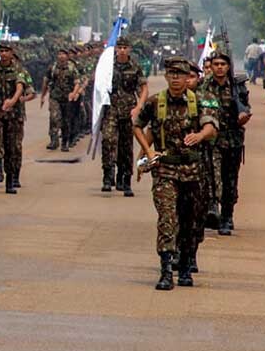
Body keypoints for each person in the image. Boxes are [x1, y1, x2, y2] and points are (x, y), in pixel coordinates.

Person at [133, 57, 219, 290]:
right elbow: (138, 125)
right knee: (167, 218)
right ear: (166, 76)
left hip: (193, 171)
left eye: (180, 75)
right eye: (171, 75)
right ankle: (165, 270)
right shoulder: (156, 103)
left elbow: (211, 127)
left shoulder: (199, 102)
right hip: (165, 170)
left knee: (191, 220)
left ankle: (186, 263)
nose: (175, 79)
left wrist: (200, 136)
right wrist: (147, 154)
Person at [198, 51, 251, 236]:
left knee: (230, 180)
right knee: (212, 176)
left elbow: (245, 109)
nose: (219, 67)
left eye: (223, 64)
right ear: (211, 67)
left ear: (228, 67)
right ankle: (213, 208)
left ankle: (227, 216)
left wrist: (243, 116)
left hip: (233, 140)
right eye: (216, 64)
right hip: (212, 141)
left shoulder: (238, 88)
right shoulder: (203, 87)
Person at [101, 36, 148, 195]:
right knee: (108, 140)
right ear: (115, 48)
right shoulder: (107, 65)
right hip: (110, 108)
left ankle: (125, 179)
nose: (122, 50)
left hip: (128, 110)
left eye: (125, 47)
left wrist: (139, 106)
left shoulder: (135, 66)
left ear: (129, 49)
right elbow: (99, 85)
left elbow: (143, 88)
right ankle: (108, 176)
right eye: (119, 47)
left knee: (126, 146)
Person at [0, 42, 28, 194]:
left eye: (6, 51)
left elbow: (20, 87)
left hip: (14, 115)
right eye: (1, 51)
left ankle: (10, 180)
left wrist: (13, 101)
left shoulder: (18, 68)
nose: (3, 54)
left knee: (11, 148)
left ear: (11, 52)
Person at [41, 48, 82, 152]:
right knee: (54, 117)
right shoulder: (52, 67)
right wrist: (43, 96)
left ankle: (65, 142)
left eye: (63, 54)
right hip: (55, 97)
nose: (61, 56)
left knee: (66, 120)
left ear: (67, 56)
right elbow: (46, 81)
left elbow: (77, 82)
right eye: (59, 54)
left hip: (67, 98)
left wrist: (74, 93)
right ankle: (54, 140)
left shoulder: (72, 68)